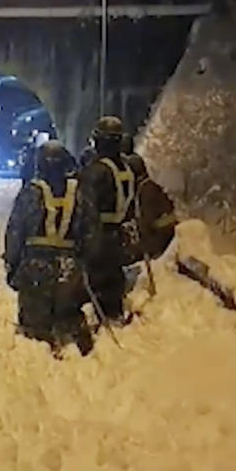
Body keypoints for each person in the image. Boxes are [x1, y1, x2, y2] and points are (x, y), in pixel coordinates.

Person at [4, 140, 97, 357]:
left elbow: (16, 231)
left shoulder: (31, 193)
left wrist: (12, 263)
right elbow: (92, 231)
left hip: (35, 267)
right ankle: (77, 340)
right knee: (69, 308)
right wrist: (86, 262)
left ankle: (42, 345)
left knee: (34, 322)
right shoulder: (80, 193)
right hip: (70, 266)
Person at [78, 116, 137, 323]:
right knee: (114, 277)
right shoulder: (127, 170)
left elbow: (84, 205)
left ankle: (99, 318)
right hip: (119, 233)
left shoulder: (96, 171)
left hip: (99, 234)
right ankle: (115, 313)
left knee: (96, 278)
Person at [127, 154, 178, 260]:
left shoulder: (146, 190)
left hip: (158, 242)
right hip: (163, 239)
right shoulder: (148, 187)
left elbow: (146, 221)